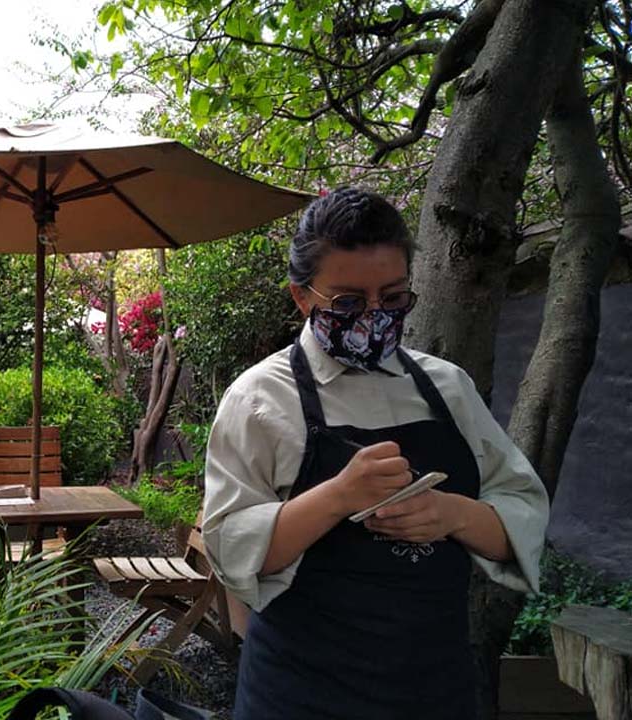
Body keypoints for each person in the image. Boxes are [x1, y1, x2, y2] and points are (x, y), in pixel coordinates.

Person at [202, 187, 549, 720]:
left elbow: (520, 519)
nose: (373, 316)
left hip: (435, 689)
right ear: (302, 296)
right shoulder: (260, 400)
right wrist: (339, 495)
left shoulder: (448, 387)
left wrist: (453, 513)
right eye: (347, 302)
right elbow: (231, 549)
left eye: (392, 298)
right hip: (302, 694)